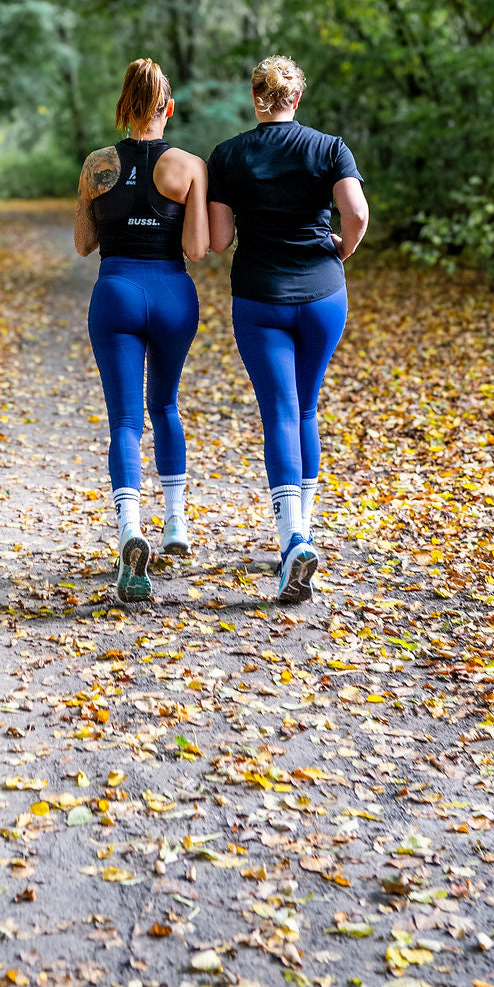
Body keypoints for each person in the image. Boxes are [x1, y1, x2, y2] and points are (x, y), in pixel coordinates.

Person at [207, 55, 368, 604]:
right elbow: (357, 213)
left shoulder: (228, 155)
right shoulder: (330, 148)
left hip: (259, 296)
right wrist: (341, 250)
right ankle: (306, 528)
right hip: (324, 294)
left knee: (279, 409)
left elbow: (221, 238)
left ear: (255, 97)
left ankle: (292, 539)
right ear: (295, 99)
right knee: (306, 408)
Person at [75, 59, 209, 603]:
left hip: (117, 292)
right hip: (173, 294)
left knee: (125, 421)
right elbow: (198, 250)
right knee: (166, 406)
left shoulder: (97, 165)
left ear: (122, 108)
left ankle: (132, 531)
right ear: (167, 108)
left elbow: (84, 244)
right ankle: (175, 523)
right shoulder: (189, 166)